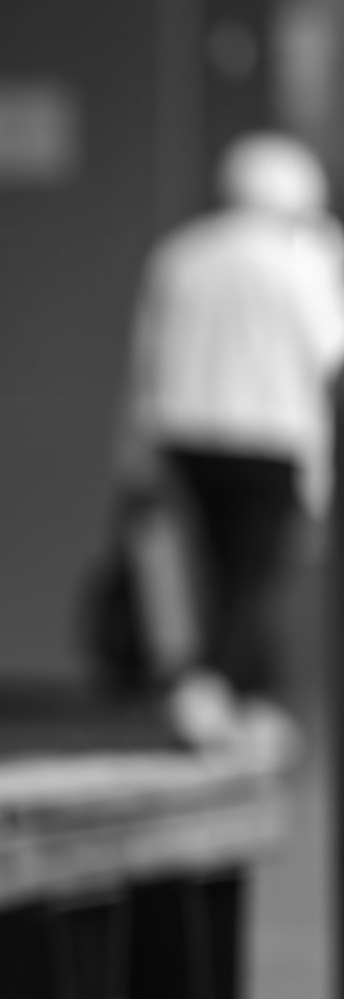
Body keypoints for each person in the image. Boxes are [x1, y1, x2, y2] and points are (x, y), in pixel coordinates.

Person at [124, 130, 344, 762]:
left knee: (202, 569)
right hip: (271, 437)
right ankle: (224, 694)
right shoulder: (303, 259)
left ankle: (213, 690)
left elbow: (145, 359)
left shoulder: (180, 255)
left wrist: (135, 446)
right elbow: (329, 354)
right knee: (251, 574)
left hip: (183, 432)